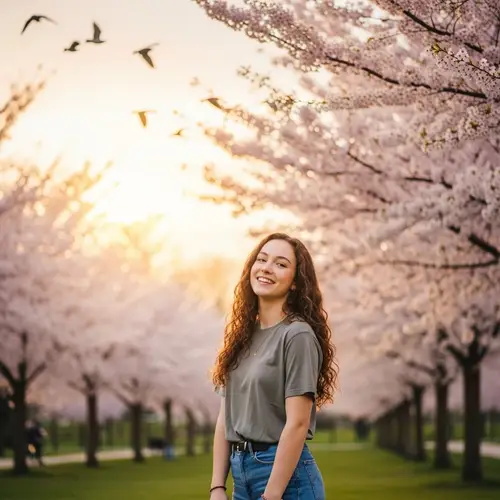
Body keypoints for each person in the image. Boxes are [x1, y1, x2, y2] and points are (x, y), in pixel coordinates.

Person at [209, 233, 339, 500]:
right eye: (262, 259)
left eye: (280, 264)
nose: (267, 268)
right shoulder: (242, 337)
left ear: (295, 282)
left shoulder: (297, 335)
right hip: (241, 474)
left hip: (286, 481)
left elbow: (298, 423)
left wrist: (272, 495)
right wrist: (217, 486)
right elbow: (226, 418)